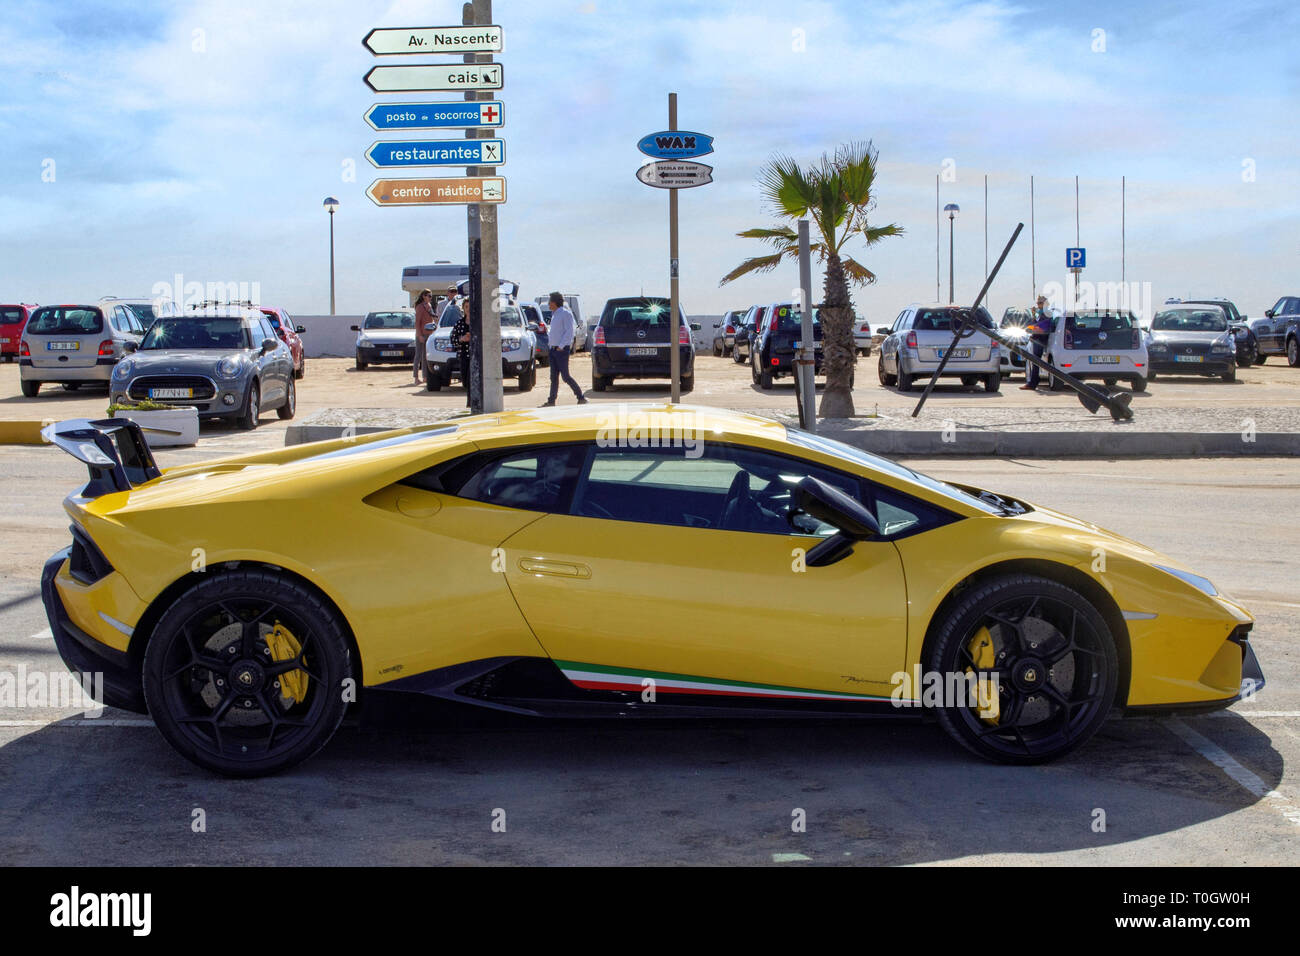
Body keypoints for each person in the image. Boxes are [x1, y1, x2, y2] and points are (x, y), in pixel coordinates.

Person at [540, 292, 586, 407]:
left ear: (555, 302)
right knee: (553, 377)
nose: (549, 304)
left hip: (561, 351)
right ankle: (551, 401)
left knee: (565, 376)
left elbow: (569, 332)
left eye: (550, 301)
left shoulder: (565, 314)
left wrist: (561, 346)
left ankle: (580, 397)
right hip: (553, 350)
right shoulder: (554, 314)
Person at [1020, 295, 1054, 390]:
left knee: (1036, 362)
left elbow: (1040, 328)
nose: (1038, 305)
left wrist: (1031, 329)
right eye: (1038, 303)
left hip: (1040, 340)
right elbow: (1034, 325)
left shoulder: (1046, 315)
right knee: (1035, 362)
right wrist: (1033, 316)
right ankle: (1033, 382)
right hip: (1037, 339)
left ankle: (1033, 383)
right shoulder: (1041, 315)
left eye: (1040, 303)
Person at [448, 296, 473, 407]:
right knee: (466, 381)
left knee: (473, 380)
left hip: (476, 356)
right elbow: (453, 339)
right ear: (463, 308)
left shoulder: (478, 323)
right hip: (463, 355)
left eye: (470, 306)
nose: (468, 309)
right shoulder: (459, 324)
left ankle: (472, 403)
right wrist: (461, 339)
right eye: (466, 306)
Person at [413, 289, 434, 385]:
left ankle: (425, 376)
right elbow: (417, 323)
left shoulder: (429, 306)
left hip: (429, 333)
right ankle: (416, 377)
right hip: (421, 334)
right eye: (429, 296)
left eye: (431, 296)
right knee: (418, 356)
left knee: (425, 356)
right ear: (423, 296)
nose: (430, 298)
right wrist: (419, 335)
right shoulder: (420, 307)